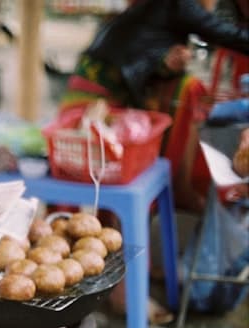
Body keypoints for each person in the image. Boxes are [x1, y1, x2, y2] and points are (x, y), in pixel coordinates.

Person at [59, 0, 249, 212]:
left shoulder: (159, 7)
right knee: (83, 162)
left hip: (98, 76)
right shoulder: (181, 4)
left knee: (97, 166)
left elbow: (143, 51)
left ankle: (113, 219)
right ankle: (177, 189)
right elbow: (228, 35)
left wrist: (165, 63)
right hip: (96, 86)